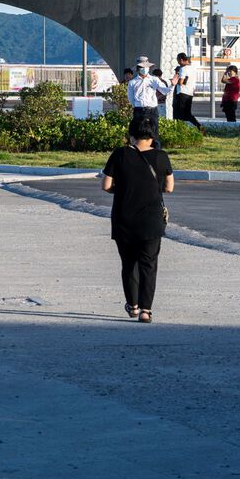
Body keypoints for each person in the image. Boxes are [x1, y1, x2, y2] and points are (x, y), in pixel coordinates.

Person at [101, 109, 174, 322]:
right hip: (151, 220)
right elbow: (169, 188)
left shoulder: (120, 154)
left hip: (124, 219)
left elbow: (106, 185)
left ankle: (132, 306)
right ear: (153, 136)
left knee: (128, 264)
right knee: (148, 264)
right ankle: (145, 311)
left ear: (131, 135)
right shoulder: (161, 157)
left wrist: (123, 190)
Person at [126, 58, 170, 143]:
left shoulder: (154, 79)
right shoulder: (132, 82)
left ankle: (156, 152)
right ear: (138, 68)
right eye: (142, 67)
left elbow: (164, 91)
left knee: (154, 133)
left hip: (152, 110)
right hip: (139, 110)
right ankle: (139, 151)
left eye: (146, 67)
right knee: (138, 133)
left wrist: (172, 85)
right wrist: (138, 105)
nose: (145, 69)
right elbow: (131, 99)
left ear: (149, 68)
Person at [170, 52, 201, 129]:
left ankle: (178, 129)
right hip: (189, 93)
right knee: (187, 113)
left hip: (181, 93)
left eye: (178, 60)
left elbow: (180, 82)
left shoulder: (183, 69)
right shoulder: (193, 68)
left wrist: (175, 79)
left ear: (181, 59)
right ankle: (199, 126)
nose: (178, 62)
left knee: (178, 114)